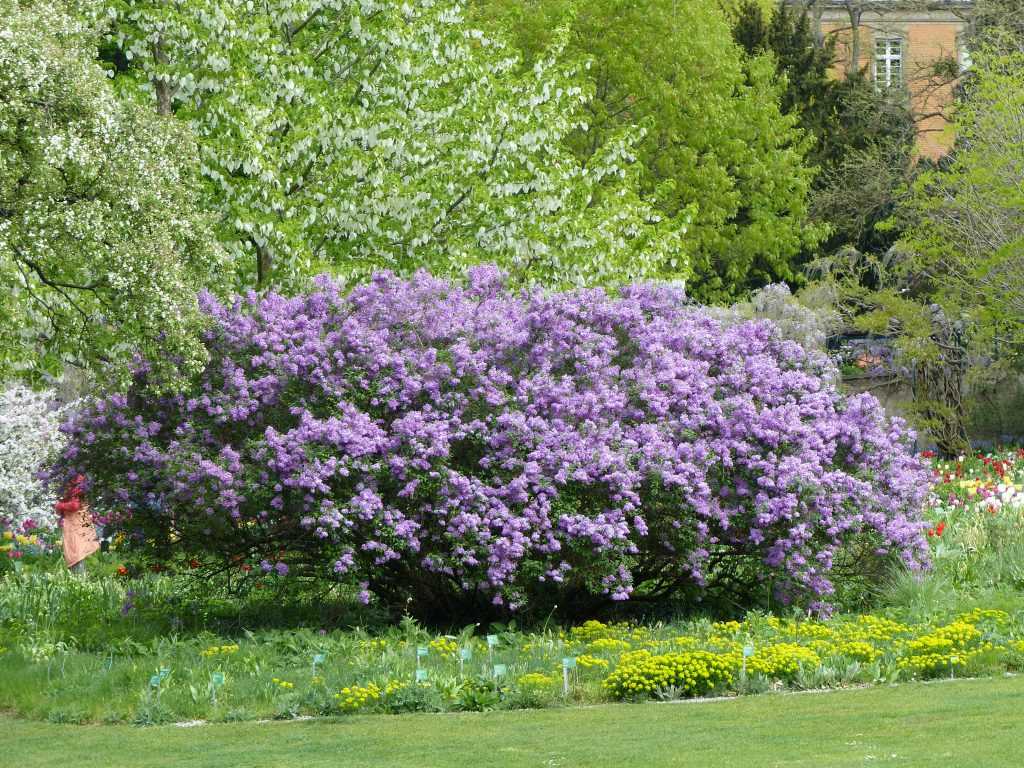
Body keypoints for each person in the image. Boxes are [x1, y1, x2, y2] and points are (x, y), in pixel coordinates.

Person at [54, 474, 99, 574]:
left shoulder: (78, 484)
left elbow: (75, 505)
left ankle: (79, 581)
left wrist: (60, 505)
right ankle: (78, 581)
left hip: (76, 524)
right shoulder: (77, 482)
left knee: (76, 552)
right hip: (77, 523)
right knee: (76, 551)